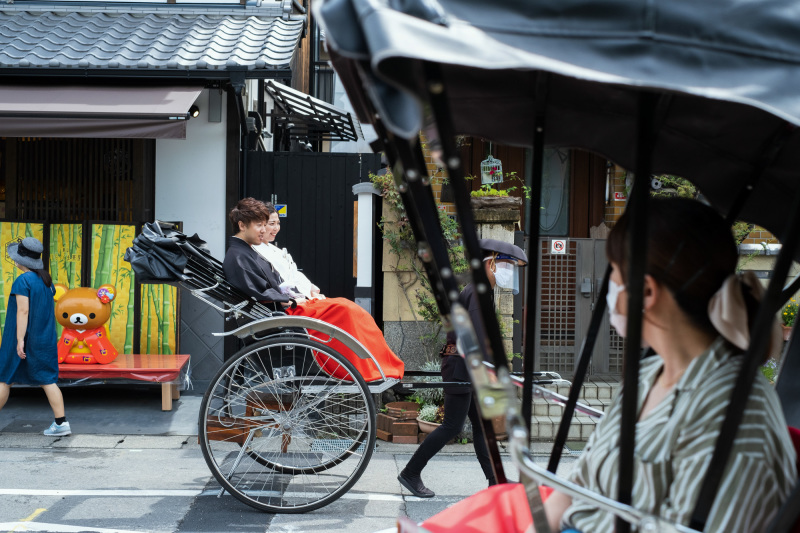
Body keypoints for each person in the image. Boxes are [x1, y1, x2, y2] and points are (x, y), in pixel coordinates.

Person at [542, 198, 797, 532]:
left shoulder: (735, 417)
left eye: (613, 274)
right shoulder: (647, 376)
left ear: (646, 291)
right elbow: (579, 481)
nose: (609, 288)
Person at [398, 238, 527, 498]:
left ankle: (495, 479)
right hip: (461, 367)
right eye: (505, 266)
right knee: (452, 426)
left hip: (464, 365)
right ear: (490, 263)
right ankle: (411, 472)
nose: (508, 273)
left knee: (481, 426)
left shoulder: (480, 291)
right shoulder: (478, 293)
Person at [223, 198, 404, 382]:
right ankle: (364, 369)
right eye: (259, 225)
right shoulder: (238, 256)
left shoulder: (247, 252)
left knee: (347, 308)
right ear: (242, 225)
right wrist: (291, 300)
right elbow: (259, 293)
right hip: (282, 312)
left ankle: (376, 366)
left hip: (286, 305)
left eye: (265, 225)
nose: (264, 230)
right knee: (344, 310)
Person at [0, 237, 71, 437]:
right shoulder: (46, 281)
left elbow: (23, 311)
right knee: (48, 380)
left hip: (22, 338)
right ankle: (61, 423)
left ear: (20, 259)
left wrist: (20, 340)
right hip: (44, 338)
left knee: (4, 379)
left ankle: (61, 425)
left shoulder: (23, 281)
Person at [253, 210, 323, 300]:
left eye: (278, 223)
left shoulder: (274, 249)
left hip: (300, 294)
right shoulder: (255, 252)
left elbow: (293, 273)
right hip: (288, 299)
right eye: (272, 224)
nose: (276, 228)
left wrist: (309, 288)